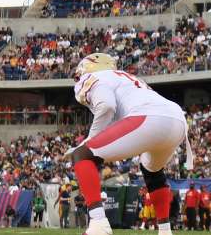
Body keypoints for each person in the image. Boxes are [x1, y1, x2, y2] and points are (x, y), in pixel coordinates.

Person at [69, 53, 188, 235]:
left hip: (148, 118)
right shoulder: (128, 77)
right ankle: (165, 231)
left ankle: (99, 223)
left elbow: (107, 106)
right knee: (152, 170)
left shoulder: (91, 77)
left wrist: (90, 141)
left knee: (82, 154)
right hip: (177, 119)